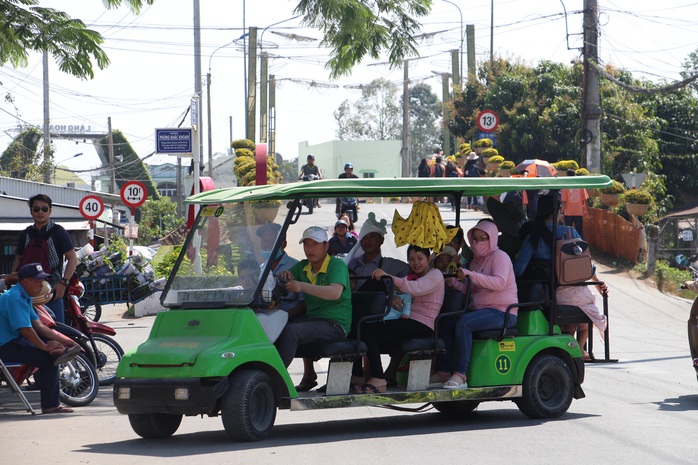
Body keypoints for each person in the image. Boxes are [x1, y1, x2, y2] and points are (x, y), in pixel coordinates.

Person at [512, 194, 607, 359]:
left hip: (549, 296)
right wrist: (597, 282)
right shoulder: (571, 233)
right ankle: (580, 347)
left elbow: (518, 270)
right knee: (588, 302)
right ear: (557, 212)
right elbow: (585, 265)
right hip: (576, 292)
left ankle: (571, 344)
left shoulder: (533, 238)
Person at [433, 219, 518, 389]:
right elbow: (470, 289)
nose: (477, 242)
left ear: (493, 239)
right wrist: (455, 283)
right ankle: (443, 371)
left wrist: (471, 275)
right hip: (480, 310)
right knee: (444, 321)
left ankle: (460, 374)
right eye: (475, 238)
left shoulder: (500, 257)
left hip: (502, 312)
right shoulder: (475, 262)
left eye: (483, 238)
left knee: (464, 323)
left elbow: (499, 283)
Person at [352, 245, 444, 393]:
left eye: (420, 258)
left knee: (367, 331)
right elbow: (398, 290)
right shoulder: (413, 277)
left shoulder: (435, 275)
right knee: (358, 326)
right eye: (411, 259)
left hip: (422, 324)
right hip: (407, 320)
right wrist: (389, 290)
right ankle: (357, 374)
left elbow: (415, 288)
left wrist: (388, 277)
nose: (416, 263)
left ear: (429, 258)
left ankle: (378, 378)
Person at [0, 263, 81, 414]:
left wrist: (64, 340)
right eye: (37, 281)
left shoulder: (24, 296)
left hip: (15, 341)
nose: (41, 285)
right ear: (26, 281)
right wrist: (45, 347)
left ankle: (51, 402)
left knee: (52, 350)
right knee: (48, 358)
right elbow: (26, 330)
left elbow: (39, 326)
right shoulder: (15, 297)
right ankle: (50, 405)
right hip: (5, 345)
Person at [275, 227, 352, 379]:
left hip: (335, 324)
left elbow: (334, 293)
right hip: (314, 320)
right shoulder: (304, 266)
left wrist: (301, 286)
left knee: (291, 332)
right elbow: (286, 278)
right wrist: (285, 276)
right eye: (306, 245)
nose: (310, 249)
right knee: (275, 328)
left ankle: (274, 380)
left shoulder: (336, 265)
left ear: (326, 246)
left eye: (314, 245)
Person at [12, 194, 78, 324]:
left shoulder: (59, 232)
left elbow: (72, 258)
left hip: (51, 292)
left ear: (50, 211)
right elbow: (18, 258)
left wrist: (63, 283)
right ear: (31, 211)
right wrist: (13, 280)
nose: (40, 212)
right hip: (25, 293)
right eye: (36, 209)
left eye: (44, 208)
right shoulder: (25, 234)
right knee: (27, 332)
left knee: (56, 331)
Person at [561, 169, 589, 237]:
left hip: (568, 212)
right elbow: (585, 199)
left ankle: (569, 244)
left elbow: (564, 201)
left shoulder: (565, 186)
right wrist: (586, 210)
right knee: (579, 230)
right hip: (578, 212)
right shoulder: (580, 184)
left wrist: (561, 212)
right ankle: (580, 244)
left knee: (568, 230)